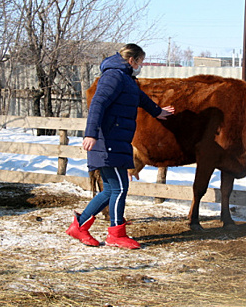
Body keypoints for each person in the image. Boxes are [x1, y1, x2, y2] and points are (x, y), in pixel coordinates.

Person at [66, 43, 174, 249]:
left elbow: (140, 98)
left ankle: (79, 226)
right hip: (107, 141)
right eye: (140, 62)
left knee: (110, 189)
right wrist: (90, 134)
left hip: (115, 141)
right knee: (120, 187)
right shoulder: (113, 76)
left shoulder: (125, 79)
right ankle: (116, 234)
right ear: (131, 60)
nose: (141, 66)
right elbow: (98, 103)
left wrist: (158, 111)